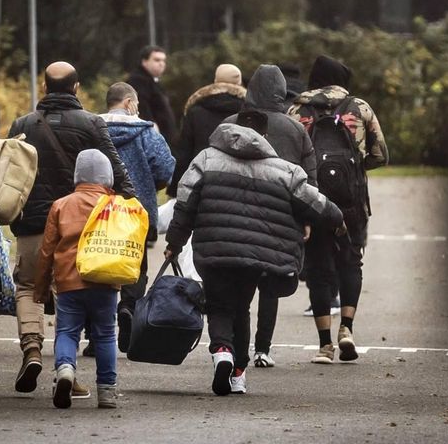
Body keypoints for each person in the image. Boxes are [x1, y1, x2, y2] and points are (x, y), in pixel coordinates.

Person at [166, 113, 344, 396]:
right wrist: (338, 220)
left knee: (218, 305)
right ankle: (238, 372)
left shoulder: (206, 159)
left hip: (213, 249)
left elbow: (185, 202)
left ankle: (222, 351)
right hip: (255, 255)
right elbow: (314, 202)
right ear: (265, 137)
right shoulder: (283, 170)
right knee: (240, 308)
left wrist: (175, 240)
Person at [7, 61, 135, 396]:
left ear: (44, 87)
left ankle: (32, 348)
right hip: (86, 230)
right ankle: (70, 371)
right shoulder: (92, 123)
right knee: (75, 297)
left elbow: (9, 175)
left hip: (33, 223)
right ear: (77, 88)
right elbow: (118, 175)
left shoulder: (22, 124)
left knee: (27, 287)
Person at [290, 55, 388, 364]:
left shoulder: (298, 110)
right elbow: (380, 153)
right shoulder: (359, 108)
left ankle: (324, 346)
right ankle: (346, 327)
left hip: (311, 198)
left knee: (318, 269)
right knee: (351, 263)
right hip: (352, 202)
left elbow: (287, 157)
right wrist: (356, 169)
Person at [225, 64, 316, 368]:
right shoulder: (296, 129)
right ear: (281, 92)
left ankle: (238, 352)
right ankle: (263, 348)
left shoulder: (230, 124)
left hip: (236, 213)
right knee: (269, 285)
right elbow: (308, 182)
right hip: (281, 216)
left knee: (239, 287)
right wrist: (306, 219)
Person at [35, 150, 125, 410]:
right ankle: (107, 392)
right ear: (107, 176)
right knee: (106, 335)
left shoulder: (61, 205)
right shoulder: (115, 205)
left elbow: (47, 251)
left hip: (68, 282)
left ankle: (64, 369)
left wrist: (41, 288)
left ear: (77, 175)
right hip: (105, 280)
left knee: (67, 331)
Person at [100, 82, 176, 350]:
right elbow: (166, 170)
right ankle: (129, 307)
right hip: (137, 211)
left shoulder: (91, 130)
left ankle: (98, 329)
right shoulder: (147, 133)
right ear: (129, 103)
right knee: (136, 265)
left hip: (98, 211)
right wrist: (147, 186)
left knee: (97, 263)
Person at [168, 63, 247, 196]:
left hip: (202, 181)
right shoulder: (249, 112)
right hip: (238, 182)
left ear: (215, 81)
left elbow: (184, 153)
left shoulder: (196, 111)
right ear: (240, 83)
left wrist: (175, 190)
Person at [127, 45, 177, 144]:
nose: (161, 64)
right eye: (157, 60)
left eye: (163, 60)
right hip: (151, 138)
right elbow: (141, 106)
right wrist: (150, 124)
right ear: (144, 61)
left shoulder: (152, 81)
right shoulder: (138, 80)